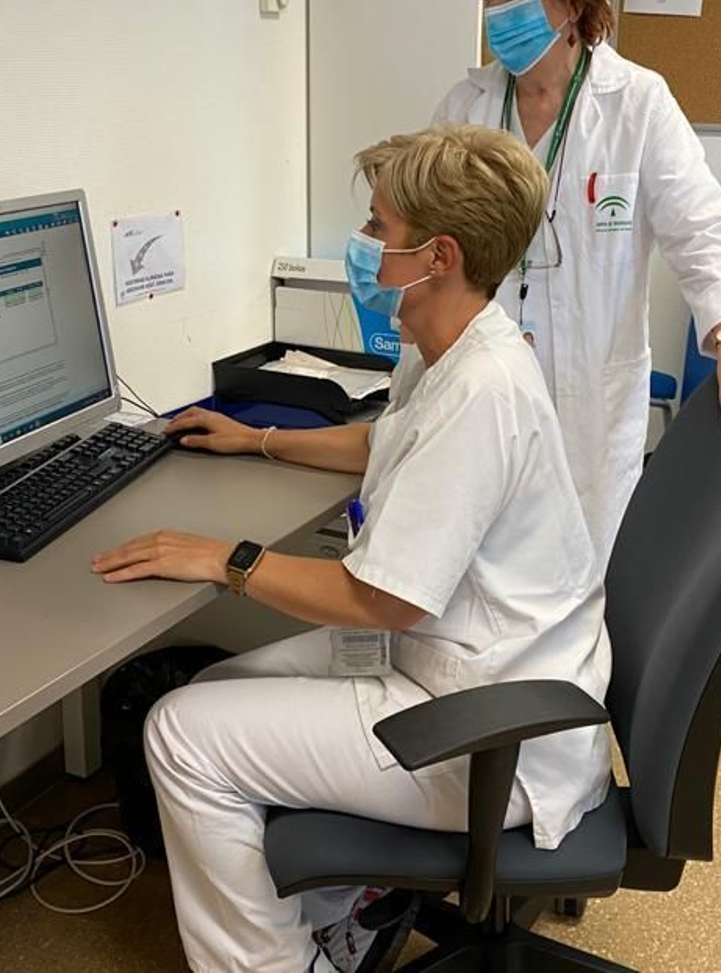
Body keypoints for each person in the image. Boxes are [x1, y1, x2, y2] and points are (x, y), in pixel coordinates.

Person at [93, 125, 611, 973]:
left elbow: (383, 599)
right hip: (459, 661)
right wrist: (255, 438)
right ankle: (346, 909)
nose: (364, 246)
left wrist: (228, 560)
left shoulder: (482, 390)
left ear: (438, 254)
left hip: (487, 728)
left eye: (378, 228)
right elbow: (387, 443)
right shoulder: (455, 342)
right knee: (221, 686)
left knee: (181, 732)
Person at [431, 0, 721, 568]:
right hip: (479, 391)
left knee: (579, 584)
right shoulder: (467, 107)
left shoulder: (637, 103)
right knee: (474, 577)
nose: (495, 15)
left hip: (588, 405)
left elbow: (699, 231)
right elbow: (426, 239)